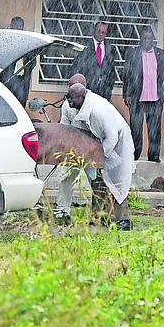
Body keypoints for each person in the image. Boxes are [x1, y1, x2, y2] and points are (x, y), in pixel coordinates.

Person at [63, 82, 135, 230]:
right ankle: (100, 216)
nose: (69, 101)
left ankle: (124, 219)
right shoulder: (80, 108)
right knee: (98, 181)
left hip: (118, 142)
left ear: (82, 97)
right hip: (101, 144)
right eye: (68, 98)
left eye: (72, 98)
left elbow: (112, 136)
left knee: (116, 181)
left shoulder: (98, 110)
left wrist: (101, 157)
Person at [54, 74, 108, 224]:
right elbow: (64, 127)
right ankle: (62, 211)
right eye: (71, 88)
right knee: (66, 178)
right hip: (73, 147)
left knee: (96, 180)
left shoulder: (94, 103)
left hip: (91, 147)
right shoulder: (67, 105)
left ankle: (99, 214)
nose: (73, 93)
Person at [122, 26, 164, 163]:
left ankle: (154, 156)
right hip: (137, 98)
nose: (146, 41)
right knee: (136, 130)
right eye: (144, 38)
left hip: (156, 98)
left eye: (149, 38)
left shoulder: (161, 54)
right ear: (140, 39)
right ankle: (134, 155)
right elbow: (126, 75)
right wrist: (127, 94)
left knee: (155, 130)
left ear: (153, 39)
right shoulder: (133, 53)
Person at [71, 21, 117, 100]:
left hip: (104, 91)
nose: (100, 34)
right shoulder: (85, 46)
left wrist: (109, 86)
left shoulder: (110, 48)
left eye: (103, 33)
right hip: (87, 89)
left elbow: (111, 69)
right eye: (98, 31)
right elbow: (77, 67)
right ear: (94, 30)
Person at [2, 16, 36, 107]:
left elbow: (33, 61)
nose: (18, 29)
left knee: (20, 107)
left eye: (20, 27)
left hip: (22, 82)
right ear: (11, 26)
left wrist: (26, 66)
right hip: (8, 80)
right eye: (15, 27)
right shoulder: (6, 42)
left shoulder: (27, 43)